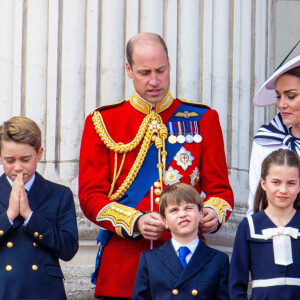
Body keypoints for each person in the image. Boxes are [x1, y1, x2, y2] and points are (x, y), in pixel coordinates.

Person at [78, 32, 234, 299]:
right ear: (128, 70)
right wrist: (135, 221)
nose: (154, 81)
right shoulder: (102, 122)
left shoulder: (203, 119)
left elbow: (221, 191)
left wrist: (213, 214)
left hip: (188, 273)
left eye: (160, 70)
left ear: (169, 64)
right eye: (144, 72)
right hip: (124, 269)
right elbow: (90, 197)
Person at [0, 116, 78, 299]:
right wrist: (9, 215)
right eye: (9, 160)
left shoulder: (59, 194)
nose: (18, 167)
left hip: (43, 291)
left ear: (39, 154)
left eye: (26, 159)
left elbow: (68, 249)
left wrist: (30, 215)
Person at [132, 182, 229, 300]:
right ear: (164, 220)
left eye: (188, 208)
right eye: (174, 210)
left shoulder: (218, 260)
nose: (182, 214)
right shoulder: (150, 259)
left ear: (201, 213)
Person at [229, 149, 300, 299]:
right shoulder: (249, 226)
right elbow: (236, 286)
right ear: (263, 183)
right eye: (276, 182)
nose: (283, 190)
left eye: (291, 183)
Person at [247, 55, 300, 215]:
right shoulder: (266, 141)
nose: (281, 104)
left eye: (290, 96)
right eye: (278, 96)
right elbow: (255, 205)